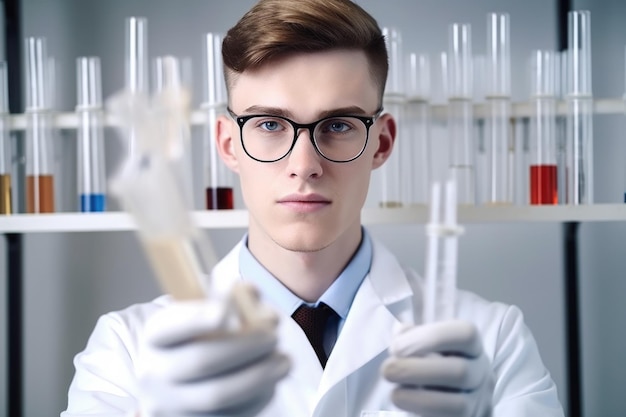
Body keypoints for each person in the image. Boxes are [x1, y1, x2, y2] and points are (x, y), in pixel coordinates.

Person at [63, 0, 565, 416]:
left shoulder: (492, 340)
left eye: (340, 125)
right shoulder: (125, 352)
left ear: (382, 142)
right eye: (269, 124)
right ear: (227, 144)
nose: (304, 165)